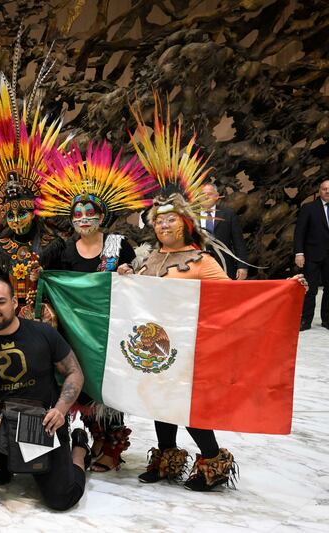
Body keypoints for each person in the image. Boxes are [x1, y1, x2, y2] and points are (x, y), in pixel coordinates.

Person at [124, 97, 308, 491]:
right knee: (158, 406)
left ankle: (212, 462)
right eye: (159, 222)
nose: (163, 227)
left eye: (170, 219)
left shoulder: (202, 261)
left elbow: (232, 301)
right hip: (157, 350)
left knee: (188, 409)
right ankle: (166, 459)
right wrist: (124, 275)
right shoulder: (149, 258)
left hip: (191, 353)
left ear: (185, 222)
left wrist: (284, 290)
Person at [37, 140, 154, 472]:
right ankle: (79, 440)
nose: (84, 218)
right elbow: (41, 279)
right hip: (74, 332)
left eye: (90, 213)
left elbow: (140, 284)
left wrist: (129, 274)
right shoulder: (60, 248)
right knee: (80, 385)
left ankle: (111, 445)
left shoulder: (118, 245)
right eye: (78, 214)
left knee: (110, 387)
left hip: (111, 331)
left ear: (102, 216)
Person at [0, 275, 89, 511]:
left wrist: (61, 410)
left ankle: (80, 449)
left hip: (43, 422)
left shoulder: (43, 333)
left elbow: (75, 373)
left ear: (14, 303)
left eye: (0, 302)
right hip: (3, 420)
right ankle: (8, 460)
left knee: (62, 498)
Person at [0, 28, 67, 326]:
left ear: (37, 209)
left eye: (23, 211)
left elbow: (66, 283)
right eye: (11, 213)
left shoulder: (53, 242)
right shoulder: (1, 246)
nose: (17, 219)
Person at [294, 179, 329, 331]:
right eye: (324, 189)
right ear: (319, 191)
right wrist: (299, 253)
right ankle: (305, 320)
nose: (327, 191)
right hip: (312, 255)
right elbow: (299, 233)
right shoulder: (309, 208)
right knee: (311, 289)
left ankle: (326, 320)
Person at [200, 183, 249, 280]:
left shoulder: (228, 214)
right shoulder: (190, 216)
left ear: (216, 196)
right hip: (198, 265)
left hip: (224, 265)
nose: (205, 197)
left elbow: (238, 242)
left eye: (209, 194)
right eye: (202, 194)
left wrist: (242, 266)